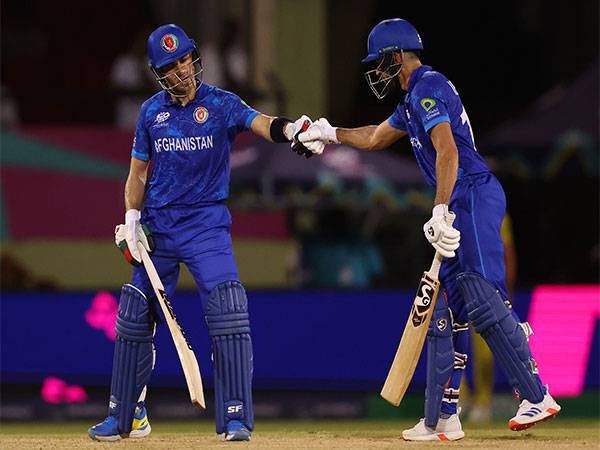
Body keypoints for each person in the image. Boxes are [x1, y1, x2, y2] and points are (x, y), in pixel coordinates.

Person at [298, 18, 561, 441]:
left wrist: (440, 209)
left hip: (472, 193)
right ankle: (442, 418)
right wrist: (331, 133)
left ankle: (536, 395)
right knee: (445, 310)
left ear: (397, 56)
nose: (377, 72)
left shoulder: (428, 87)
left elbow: (448, 149)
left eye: (381, 62)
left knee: (479, 292)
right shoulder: (410, 100)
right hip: (459, 198)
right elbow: (373, 138)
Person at [88, 23, 322, 442]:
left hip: (205, 225)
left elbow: (260, 122)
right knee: (134, 315)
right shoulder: (150, 113)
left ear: (193, 57)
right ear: (158, 73)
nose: (182, 70)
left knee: (228, 309)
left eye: (184, 60)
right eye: (171, 66)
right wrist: (132, 218)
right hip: (158, 226)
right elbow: (137, 173)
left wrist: (291, 130)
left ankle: (235, 417)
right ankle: (126, 415)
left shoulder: (221, 104)